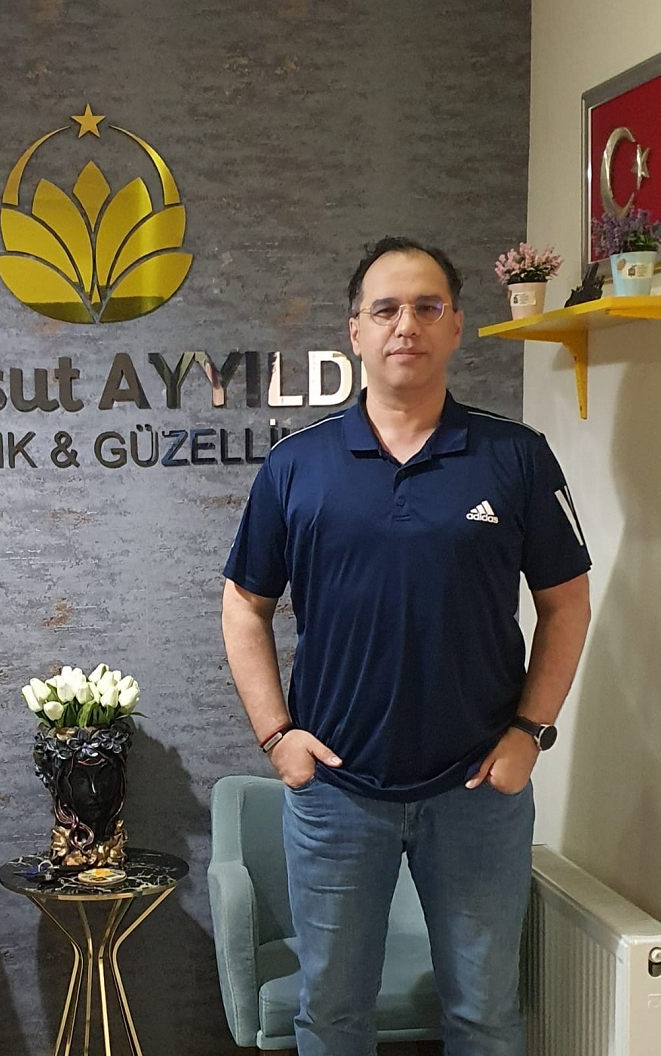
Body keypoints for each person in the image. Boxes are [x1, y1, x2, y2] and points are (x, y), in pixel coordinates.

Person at [220, 236, 591, 1056]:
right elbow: (244, 604)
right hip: (336, 791)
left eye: (427, 306)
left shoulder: (515, 456)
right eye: (384, 309)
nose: (405, 325)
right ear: (354, 331)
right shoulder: (296, 465)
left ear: (455, 325)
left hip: (477, 790)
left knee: (483, 1017)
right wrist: (277, 737)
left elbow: (565, 603)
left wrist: (528, 733)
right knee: (331, 1018)